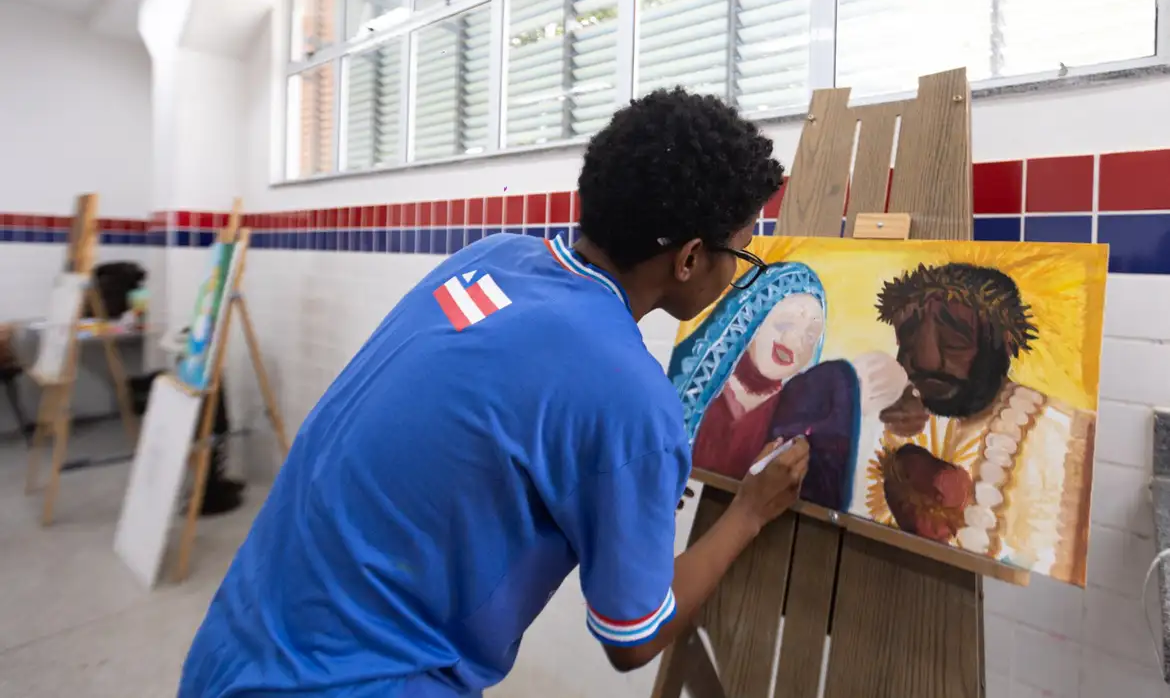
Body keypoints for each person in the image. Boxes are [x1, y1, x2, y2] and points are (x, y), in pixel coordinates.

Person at [179, 87, 811, 698]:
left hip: (238, 643)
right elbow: (633, 639)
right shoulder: (632, 398)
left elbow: (497, 422)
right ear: (689, 257)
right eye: (741, 253)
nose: (739, 271)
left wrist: (626, 481)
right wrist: (749, 512)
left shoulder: (488, 260)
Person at [852, 262, 1094, 582]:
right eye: (910, 336)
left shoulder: (1064, 438)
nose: (925, 358)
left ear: (1004, 343)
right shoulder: (879, 420)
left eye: (955, 339)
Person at [670, 262, 905, 510]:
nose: (795, 341)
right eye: (785, 325)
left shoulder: (797, 419)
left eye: (810, 336)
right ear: (751, 316)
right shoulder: (686, 380)